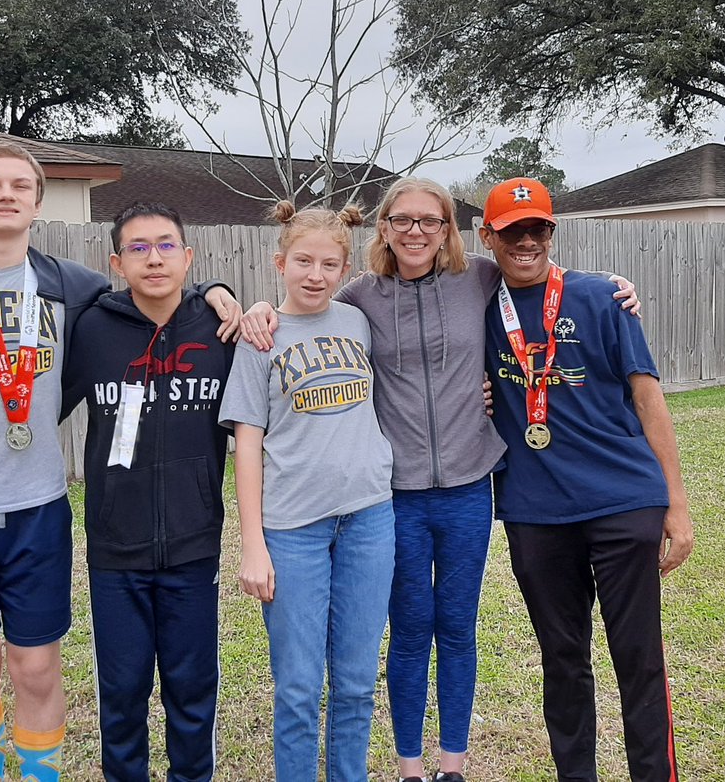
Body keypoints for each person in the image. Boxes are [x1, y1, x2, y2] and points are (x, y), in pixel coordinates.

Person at [239, 177, 638, 782]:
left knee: (456, 624)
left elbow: (536, 268)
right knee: (408, 629)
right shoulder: (360, 297)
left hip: (468, 485)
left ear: (449, 228)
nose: (416, 231)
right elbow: (304, 309)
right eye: (402, 220)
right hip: (392, 495)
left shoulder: (477, 278)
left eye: (431, 220)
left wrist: (611, 286)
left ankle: (453, 762)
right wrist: (254, 307)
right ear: (385, 228)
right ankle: (409, 765)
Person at [0, 143, 239, 782]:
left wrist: (223, 293)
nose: (5, 194)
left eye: (20, 184)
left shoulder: (76, 288)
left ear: (39, 201)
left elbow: (155, 288)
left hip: (37, 506)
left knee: (37, 667)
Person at [478, 177, 694, 782]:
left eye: (538, 228)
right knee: (563, 660)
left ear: (552, 232)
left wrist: (675, 505)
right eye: (511, 230)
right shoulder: (475, 304)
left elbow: (649, 401)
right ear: (487, 235)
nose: (526, 240)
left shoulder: (603, 297)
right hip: (535, 510)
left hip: (623, 501)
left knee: (638, 659)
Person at [219, 201, 396, 782]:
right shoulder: (259, 337)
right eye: (303, 261)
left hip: (370, 517)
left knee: (355, 682)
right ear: (280, 262)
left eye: (329, 264)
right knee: (297, 686)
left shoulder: (356, 322)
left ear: (345, 270)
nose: (315, 275)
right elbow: (247, 443)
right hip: (293, 529)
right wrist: (252, 545)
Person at [61, 203, 236, 782]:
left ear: (188, 258)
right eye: (138, 247)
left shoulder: (221, 331)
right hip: (116, 550)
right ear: (116, 262)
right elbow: (39, 407)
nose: (154, 257)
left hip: (193, 546)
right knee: (122, 691)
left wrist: (223, 293)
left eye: (166, 245)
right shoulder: (90, 330)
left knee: (192, 690)